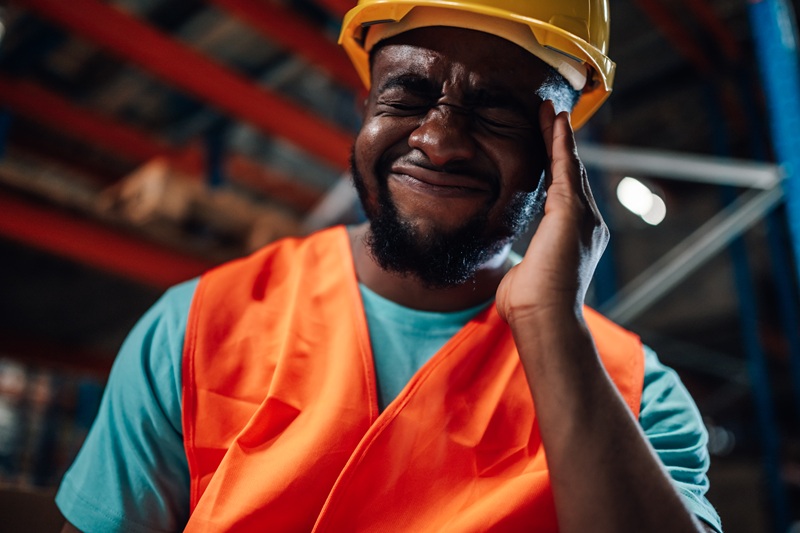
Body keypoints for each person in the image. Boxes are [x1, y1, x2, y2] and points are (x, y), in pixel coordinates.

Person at [56, 0, 723, 531]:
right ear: (365, 107)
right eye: (406, 95)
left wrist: (549, 324)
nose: (438, 140)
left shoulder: (636, 394)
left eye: (496, 111)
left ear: (560, 150)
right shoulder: (197, 329)